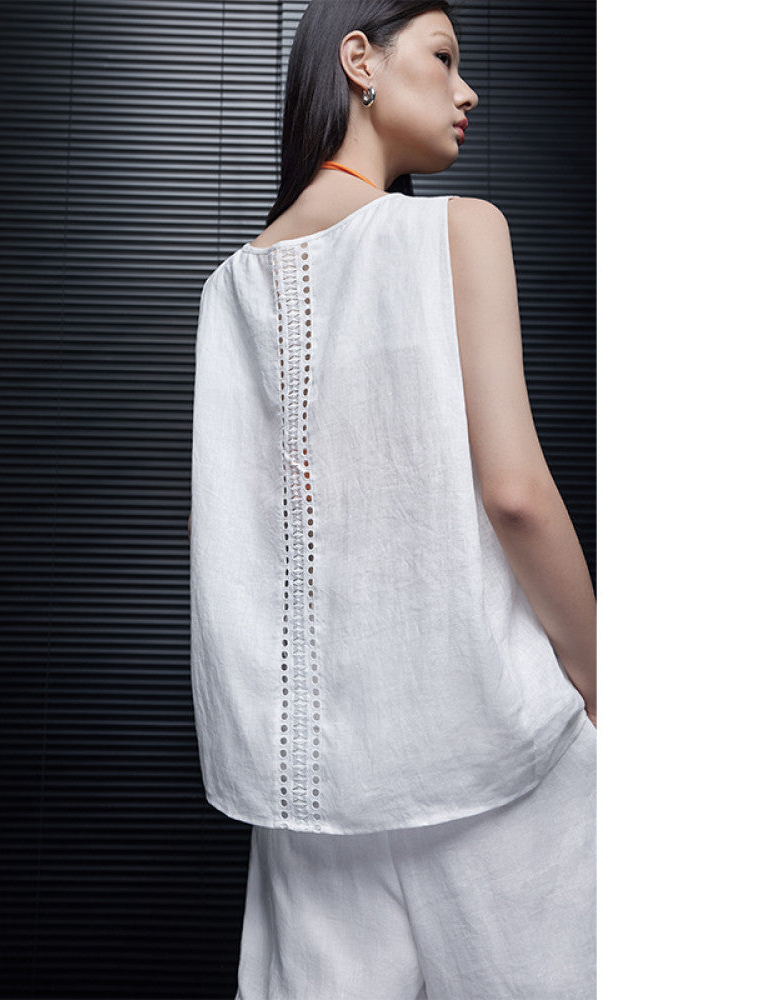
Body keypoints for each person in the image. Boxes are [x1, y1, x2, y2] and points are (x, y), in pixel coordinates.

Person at [188, 1, 596, 997]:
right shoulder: (459, 231)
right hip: (493, 756)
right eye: (444, 58)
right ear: (359, 61)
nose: (467, 91)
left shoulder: (227, 288)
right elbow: (514, 493)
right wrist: (601, 676)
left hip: (303, 796)